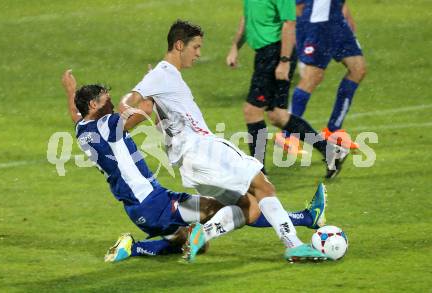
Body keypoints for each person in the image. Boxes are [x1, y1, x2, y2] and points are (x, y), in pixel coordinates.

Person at [121, 20, 336, 262]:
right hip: (203, 149)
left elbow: (154, 113)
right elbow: (132, 97)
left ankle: (203, 234)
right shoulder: (162, 74)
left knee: (250, 208)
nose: (199, 54)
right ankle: (294, 245)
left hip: (190, 165)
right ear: (179, 45)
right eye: (196, 47)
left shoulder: (163, 78)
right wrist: (122, 111)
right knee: (263, 186)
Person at [61, 70, 328, 262]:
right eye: (106, 100)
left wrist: (70, 90)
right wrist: (153, 86)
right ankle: (304, 219)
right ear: (94, 105)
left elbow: (76, 113)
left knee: (189, 240)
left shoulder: (82, 129)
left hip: (145, 204)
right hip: (152, 203)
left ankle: (137, 247)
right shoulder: (108, 125)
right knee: (240, 206)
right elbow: (140, 112)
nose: (111, 102)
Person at [226, 0, 349, 174]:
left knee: (252, 111)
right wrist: (235, 47)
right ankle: (330, 151)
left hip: (276, 52)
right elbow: (247, 17)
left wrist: (283, 61)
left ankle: (259, 175)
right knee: (278, 115)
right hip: (266, 53)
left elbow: (289, 23)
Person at [289, 0, 366, 149]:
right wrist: (302, 32)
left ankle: (333, 130)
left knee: (358, 69)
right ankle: (289, 133)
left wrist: (346, 16)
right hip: (319, 24)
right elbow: (298, 7)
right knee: (313, 76)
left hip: (337, 22)